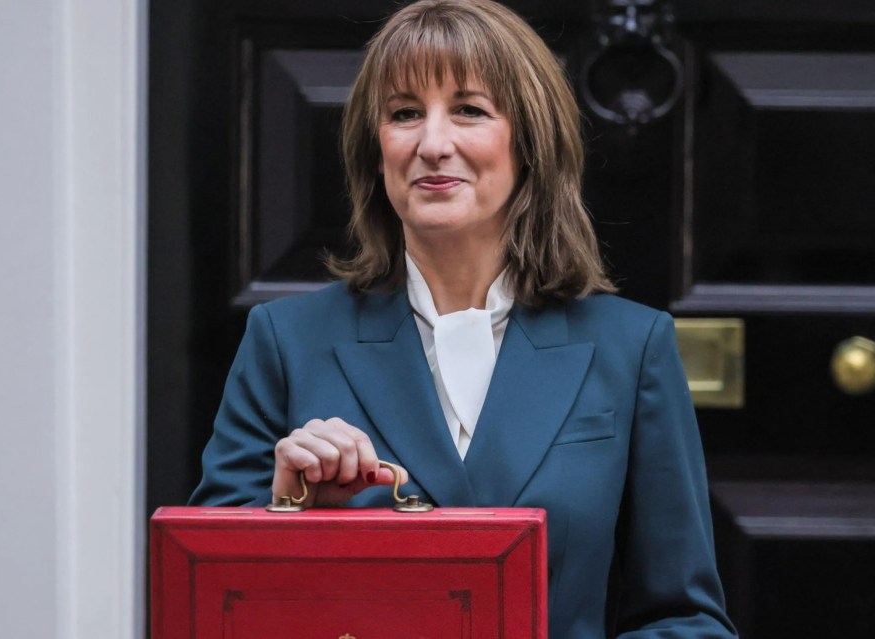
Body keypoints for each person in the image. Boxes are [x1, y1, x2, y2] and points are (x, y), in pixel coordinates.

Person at [189, 0, 737, 636]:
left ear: (529, 143)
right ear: (377, 151)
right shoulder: (285, 343)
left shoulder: (631, 346)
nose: (432, 143)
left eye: (470, 110)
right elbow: (210, 604)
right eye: (404, 114)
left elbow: (685, 619)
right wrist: (288, 510)